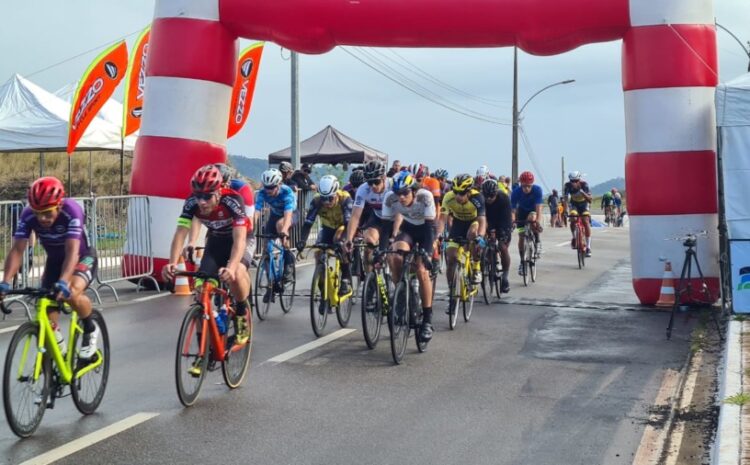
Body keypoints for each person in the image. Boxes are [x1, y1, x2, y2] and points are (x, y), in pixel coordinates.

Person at [0, 177, 99, 359]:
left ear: (59, 206)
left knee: (71, 291)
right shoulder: (28, 214)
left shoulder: (71, 210)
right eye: (38, 213)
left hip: (81, 257)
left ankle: (90, 328)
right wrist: (4, 282)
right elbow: (17, 250)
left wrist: (63, 281)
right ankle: (58, 355)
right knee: (45, 307)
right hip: (54, 261)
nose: (42, 218)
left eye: (47, 213)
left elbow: (72, 251)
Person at [162, 165, 252, 351]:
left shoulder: (233, 200)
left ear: (219, 192)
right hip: (217, 240)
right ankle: (205, 349)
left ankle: (242, 312)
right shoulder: (191, 203)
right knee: (201, 291)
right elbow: (180, 233)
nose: (202, 202)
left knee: (237, 272)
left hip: (241, 238)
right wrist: (171, 262)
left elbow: (239, 240)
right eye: (198, 196)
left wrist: (232, 266)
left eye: (207, 196)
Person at [382, 171, 437, 342]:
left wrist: (427, 254)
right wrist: (382, 250)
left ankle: (427, 320)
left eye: (405, 193)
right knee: (395, 256)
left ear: (413, 190)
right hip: (409, 229)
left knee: (421, 270)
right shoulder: (390, 198)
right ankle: (401, 294)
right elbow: (385, 228)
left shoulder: (425, 197)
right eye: (398, 194)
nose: (401, 198)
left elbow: (429, 231)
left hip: (426, 230)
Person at [296, 175, 354, 297]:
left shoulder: (345, 198)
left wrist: (345, 241)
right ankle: (323, 289)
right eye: (324, 199)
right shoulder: (317, 201)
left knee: (339, 241)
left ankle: (346, 278)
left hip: (342, 227)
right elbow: (308, 223)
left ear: (336, 193)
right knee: (318, 253)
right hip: (327, 228)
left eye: (330, 198)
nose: (326, 202)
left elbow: (349, 223)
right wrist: (302, 241)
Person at [187, 163, 256, 260]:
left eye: (221, 185)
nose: (219, 189)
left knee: (238, 267)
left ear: (228, 182)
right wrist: (192, 241)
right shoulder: (210, 194)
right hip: (220, 229)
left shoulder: (242, 189)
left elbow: (249, 223)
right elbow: (197, 217)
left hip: (239, 226)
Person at [254, 168, 298, 299]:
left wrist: (284, 230)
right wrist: (250, 227)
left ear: (279, 184)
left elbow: (288, 213)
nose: (269, 190)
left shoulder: (287, 192)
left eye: (272, 187)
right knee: (266, 249)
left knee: (281, 227)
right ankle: (271, 284)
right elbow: (256, 212)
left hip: (291, 214)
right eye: (267, 187)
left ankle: (289, 259)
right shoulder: (262, 193)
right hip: (274, 214)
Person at [439, 173, 486, 288]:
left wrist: (480, 236)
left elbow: (482, 221)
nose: (457, 196)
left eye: (462, 193)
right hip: (458, 223)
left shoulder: (477, 197)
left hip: (473, 222)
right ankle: (452, 290)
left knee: (473, 234)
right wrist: (438, 235)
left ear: (469, 192)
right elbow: (442, 220)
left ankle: (476, 267)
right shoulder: (448, 197)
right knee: (451, 258)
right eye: (455, 192)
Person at [345, 160, 392, 266]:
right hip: (378, 218)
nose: (373, 186)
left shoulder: (392, 186)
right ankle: (370, 280)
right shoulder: (363, 189)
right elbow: (355, 216)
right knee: (368, 243)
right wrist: (349, 238)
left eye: (376, 182)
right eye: (370, 182)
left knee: (395, 252)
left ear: (384, 178)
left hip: (395, 219)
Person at [481, 179, 512, 293]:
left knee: (502, 247)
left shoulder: (503, 198)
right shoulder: (481, 199)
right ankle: (489, 265)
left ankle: (505, 277)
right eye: (486, 196)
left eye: (491, 196)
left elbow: (507, 219)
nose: (489, 199)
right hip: (488, 220)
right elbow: (480, 217)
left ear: (496, 193)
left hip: (503, 221)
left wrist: (502, 234)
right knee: (485, 245)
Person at [510, 171, 544, 275]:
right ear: (521, 184)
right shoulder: (516, 192)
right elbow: (513, 210)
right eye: (524, 186)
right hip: (521, 212)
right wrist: (513, 221)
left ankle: (537, 241)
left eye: (529, 186)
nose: (526, 189)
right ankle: (522, 262)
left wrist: (537, 221)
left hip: (533, 210)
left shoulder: (537, 190)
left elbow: (539, 208)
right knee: (521, 236)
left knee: (532, 218)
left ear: (532, 184)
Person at [564, 171, 593, 257]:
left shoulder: (584, 185)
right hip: (574, 204)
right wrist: (565, 210)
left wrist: (583, 192)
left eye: (576, 181)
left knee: (585, 221)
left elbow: (590, 200)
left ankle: (588, 247)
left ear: (579, 180)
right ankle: (574, 237)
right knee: (573, 217)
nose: (574, 183)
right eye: (572, 181)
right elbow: (565, 199)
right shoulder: (567, 186)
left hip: (584, 205)